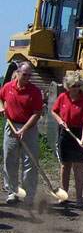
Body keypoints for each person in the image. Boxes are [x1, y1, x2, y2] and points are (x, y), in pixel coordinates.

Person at [0, 61, 43, 206]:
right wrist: (1, 108)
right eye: (24, 75)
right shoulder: (8, 87)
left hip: (28, 128)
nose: (27, 78)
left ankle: (28, 195)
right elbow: (0, 98)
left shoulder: (35, 91)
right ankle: (12, 191)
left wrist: (24, 129)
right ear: (18, 73)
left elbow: (37, 113)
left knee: (30, 161)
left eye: (29, 75)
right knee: (9, 159)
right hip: (11, 126)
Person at [52, 72, 83, 207]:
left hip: (79, 132)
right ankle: (63, 195)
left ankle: (79, 197)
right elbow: (54, 111)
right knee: (65, 165)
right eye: (74, 86)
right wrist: (59, 121)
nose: (76, 88)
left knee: (78, 165)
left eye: (78, 86)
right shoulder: (62, 97)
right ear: (68, 86)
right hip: (66, 132)